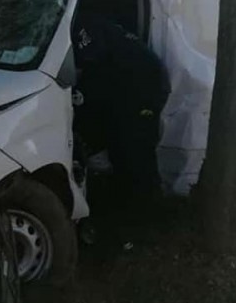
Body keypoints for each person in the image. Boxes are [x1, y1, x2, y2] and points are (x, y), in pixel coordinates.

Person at [72, 12, 171, 226]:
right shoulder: (93, 26)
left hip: (145, 88)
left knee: (137, 150)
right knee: (121, 146)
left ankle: (150, 216)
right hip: (128, 88)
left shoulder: (84, 28)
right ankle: (127, 207)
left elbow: (83, 69)